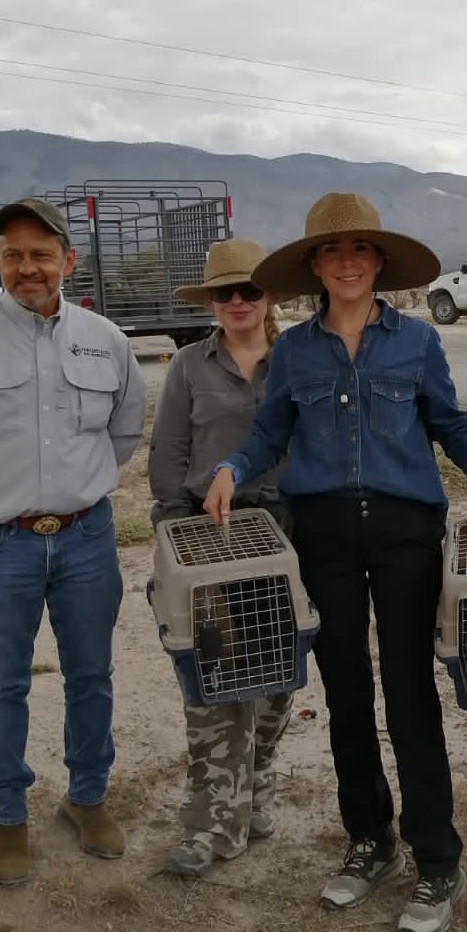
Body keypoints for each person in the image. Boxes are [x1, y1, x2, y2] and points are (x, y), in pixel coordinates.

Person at [203, 192, 467, 932]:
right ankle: (369, 840)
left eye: (359, 250)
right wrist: (231, 466)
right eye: (331, 251)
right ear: (315, 266)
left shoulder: (415, 342)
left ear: (378, 262)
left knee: (410, 694)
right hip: (326, 535)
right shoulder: (296, 352)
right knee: (347, 692)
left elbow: (449, 422)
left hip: (407, 529)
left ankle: (438, 859)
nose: (346, 262)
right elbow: (273, 429)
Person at [0, 197, 146, 886]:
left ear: (67, 261)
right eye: (12, 254)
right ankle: (6, 816)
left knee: (91, 676)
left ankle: (87, 798)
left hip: (86, 540)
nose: (27, 267)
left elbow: (123, 431)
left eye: (41, 253)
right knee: (3, 684)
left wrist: (81, 487)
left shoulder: (107, 340)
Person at [148, 238, 294, 879]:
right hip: (207, 539)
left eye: (250, 290)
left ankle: (255, 788)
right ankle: (210, 828)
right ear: (210, 302)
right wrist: (177, 538)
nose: (238, 302)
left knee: (275, 683)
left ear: (270, 298)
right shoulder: (187, 366)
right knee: (212, 687)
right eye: (224, 292)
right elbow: (166, 458)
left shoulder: (298, 358)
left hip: (287, 537)